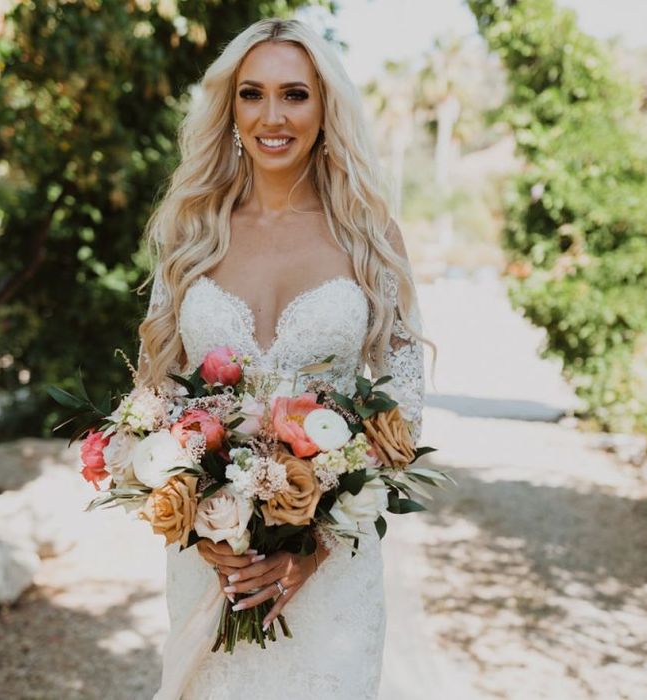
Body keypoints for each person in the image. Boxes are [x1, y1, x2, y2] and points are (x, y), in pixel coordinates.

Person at [135, 16, 433, 700]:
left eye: (295, 94)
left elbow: (403, 405)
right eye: (252, 94)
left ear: (326, 107)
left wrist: (311, 546)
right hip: (213, 561)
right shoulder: (190, 231)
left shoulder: (369, 236)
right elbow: (156, 396)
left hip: (331, 570)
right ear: (230, 106)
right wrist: (196, 517)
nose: (272, 116)